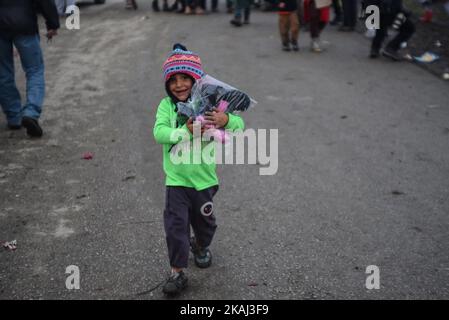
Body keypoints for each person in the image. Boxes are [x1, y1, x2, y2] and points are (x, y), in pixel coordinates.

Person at [153, 44, 245, 295]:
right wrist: (184, 131)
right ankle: (177, 272)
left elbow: (238, 126)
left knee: (206, 225)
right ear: (167, 84)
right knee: (176, 227)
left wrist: (226, 120)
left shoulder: (211, 105)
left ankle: (201, 245)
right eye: (173, 80)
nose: (180, 85)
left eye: (186, 79)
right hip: (177, 181)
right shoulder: (166, 107)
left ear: (197, 81)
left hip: (205, 181)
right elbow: (159, 132)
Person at [0, 0, 60, 137]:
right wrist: (52, 24)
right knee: (35, 70)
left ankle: (14, 117)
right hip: (24, 25)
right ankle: (31, 112)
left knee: (3, 73)